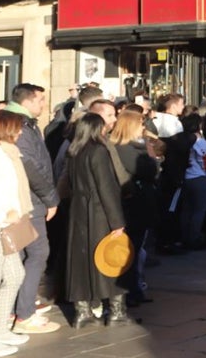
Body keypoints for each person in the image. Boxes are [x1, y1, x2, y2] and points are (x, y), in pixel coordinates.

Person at [3, 84, 60, 336]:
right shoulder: (20, 125)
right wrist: (50, 197)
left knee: (28, 255)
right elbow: (31, 166)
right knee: (37, 252)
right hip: (29, 201)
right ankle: (23, 313)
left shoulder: (24, 123)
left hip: (31, 200)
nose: (43, 105)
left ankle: (19, 308)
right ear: (28, 101)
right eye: (40, 100)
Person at [64, 112, 128, 328]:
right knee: (110, 259)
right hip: (99, 212)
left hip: (78, 210)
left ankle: (82, 311)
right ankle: (117, 311)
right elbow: (106, 187)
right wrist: (117, 221)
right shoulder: (98, 151)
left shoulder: (74, 151)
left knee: (80, 261)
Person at [0, 110, 31, 356]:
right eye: (17, 127)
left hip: (4, 226)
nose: (21, 132)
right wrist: (1, 216)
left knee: (14, 274)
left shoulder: (4, 154)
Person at [111, 107, 158, 306]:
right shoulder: (126, 149)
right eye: (140, 124)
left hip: (142, 204)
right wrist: (152, 155)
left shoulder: (133, 146)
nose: (143, 127)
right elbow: (148, 170)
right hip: (133, 204)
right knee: (131, 248)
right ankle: (129, 291)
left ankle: (135, 288)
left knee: (138, 248)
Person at [178, 113, 206, 249]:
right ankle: (194, 238)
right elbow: (205, 162)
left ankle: (185, 237)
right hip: (198, 178)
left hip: (187, 178)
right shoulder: (199, 141)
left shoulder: (184, 139)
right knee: (199, 210)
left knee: (187, 209)